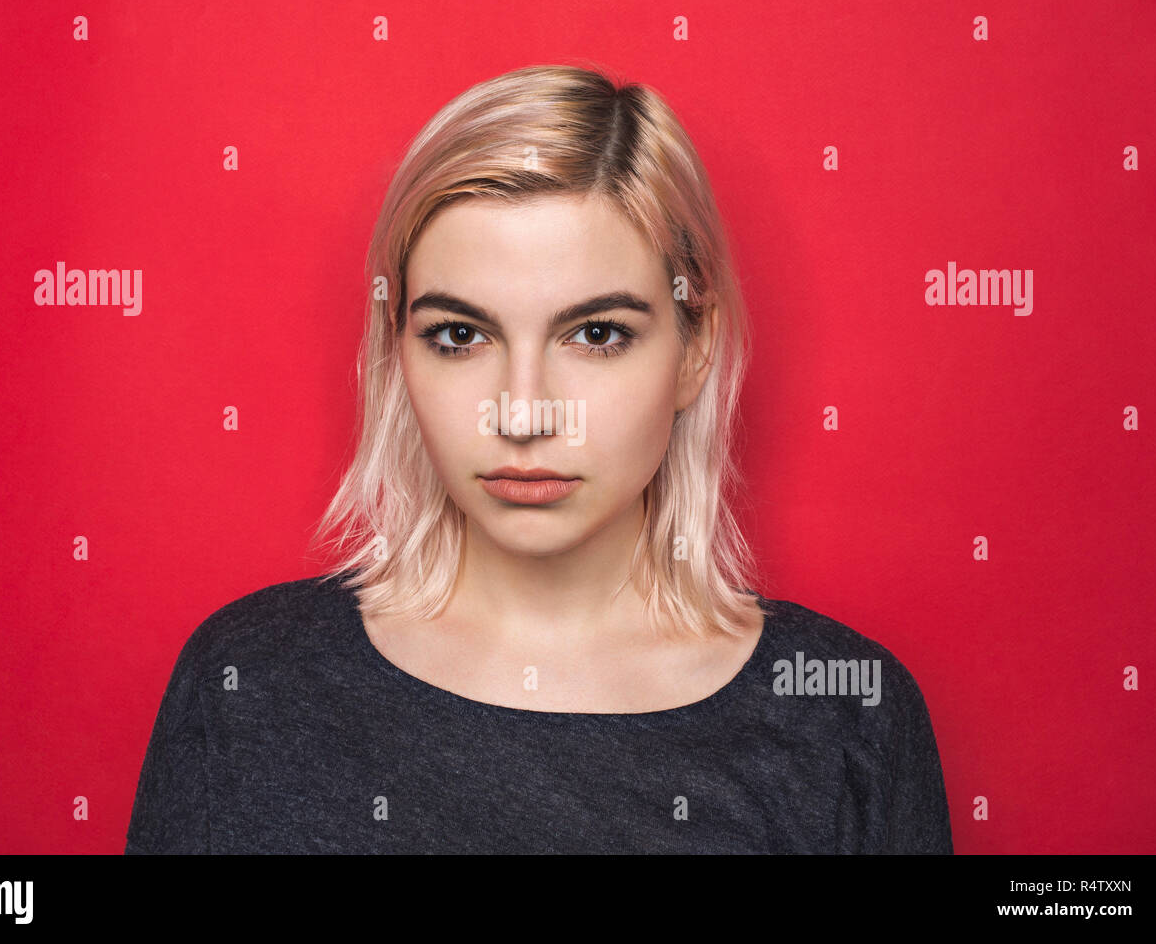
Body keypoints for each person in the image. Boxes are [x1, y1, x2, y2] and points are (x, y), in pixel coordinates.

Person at [125, 62, 952, 854]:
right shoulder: (247, 685)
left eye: (596, 335)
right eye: (460, 335)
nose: (522, 413)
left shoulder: (846, 715)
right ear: (397, 350)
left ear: (694, 349)